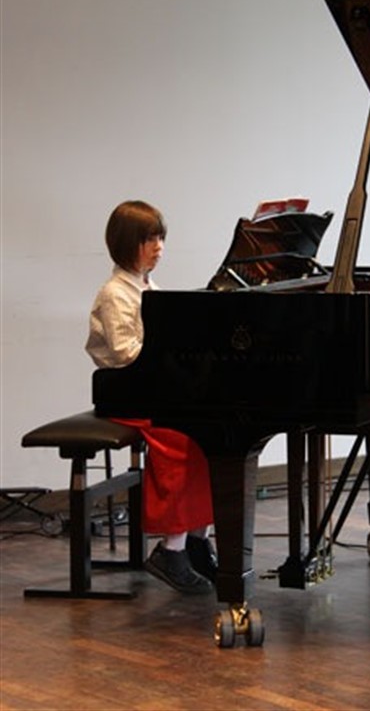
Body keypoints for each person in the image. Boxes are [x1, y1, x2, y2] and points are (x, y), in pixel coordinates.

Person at [86, 200, 217, 595]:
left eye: (161, 238)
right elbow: (125, 353)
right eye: (149, 239)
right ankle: (170, 550)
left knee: (214, 434)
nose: (159, 247)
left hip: (147, 388)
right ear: (127, 244)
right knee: (181, 439)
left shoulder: (148, 287)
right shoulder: (115, 293)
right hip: (126, 392)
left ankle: (197, 541)